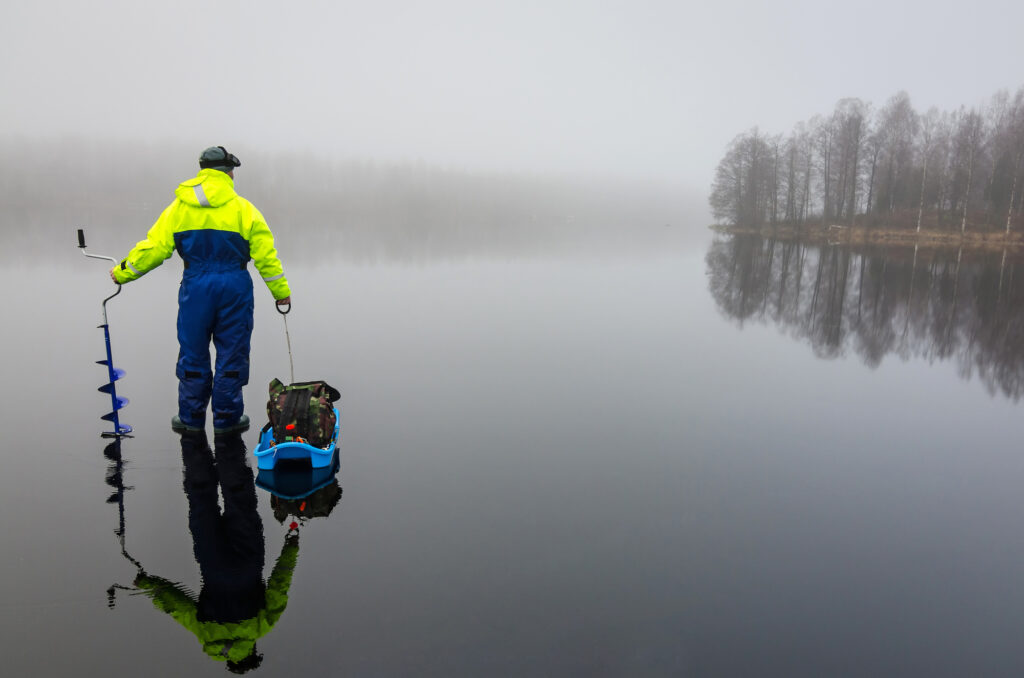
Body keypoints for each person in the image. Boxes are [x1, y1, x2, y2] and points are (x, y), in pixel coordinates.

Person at [110, 146, 291, 433]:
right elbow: (266, 258)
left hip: (195, 287)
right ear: (229, 173)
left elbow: (155, 248)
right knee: (232, 352)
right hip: (235, 287)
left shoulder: (178, 208)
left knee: (193, 350)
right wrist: (281, 292)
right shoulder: (245, 210)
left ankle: (191, 420)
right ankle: (228, 420)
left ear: (202, 171)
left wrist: (123, 272)